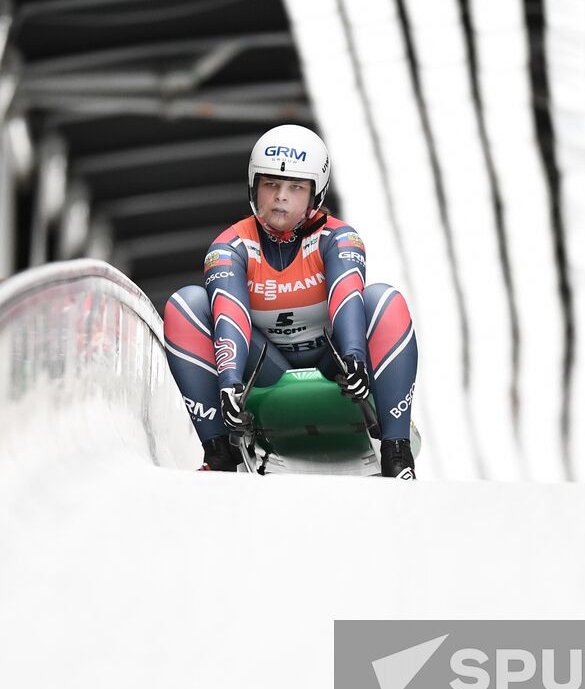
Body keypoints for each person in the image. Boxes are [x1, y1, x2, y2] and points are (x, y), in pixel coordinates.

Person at [164, 125, 420, 479]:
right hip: (266, 369)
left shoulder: (339, 238)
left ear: (315, 193)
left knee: (384, 298)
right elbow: (230, 312)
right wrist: (229, 382)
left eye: (295, 187)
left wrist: (355, 359)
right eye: (271, 185)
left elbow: (347, 295)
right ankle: (219, 453)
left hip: (338, 370)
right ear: (254, 188)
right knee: (186, 303)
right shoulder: (229, 247)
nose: (281, 197)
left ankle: (397, 451)